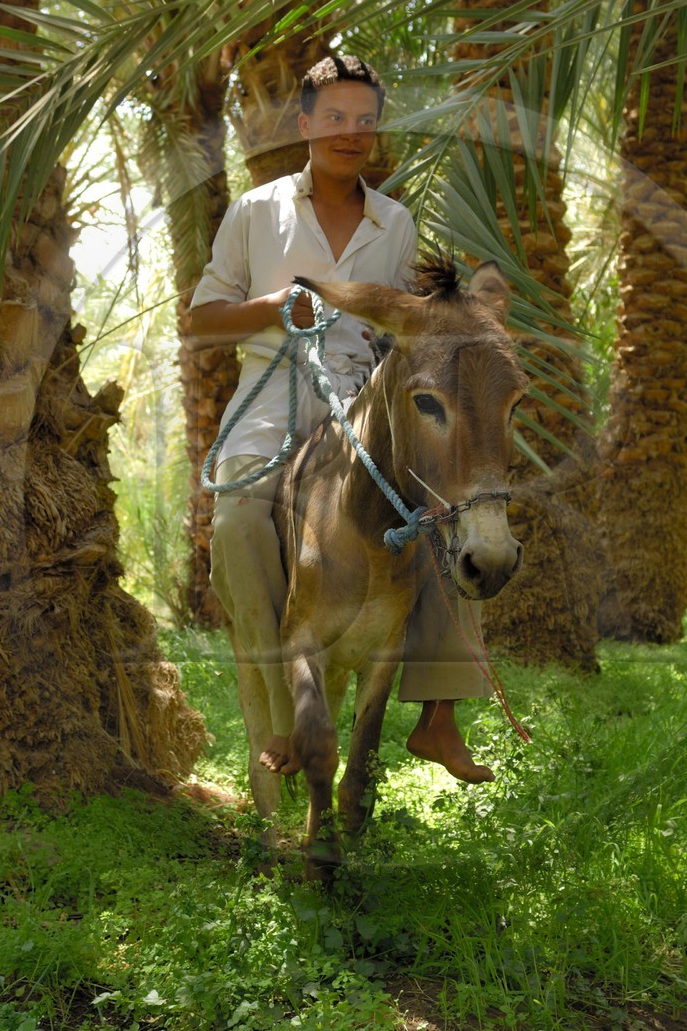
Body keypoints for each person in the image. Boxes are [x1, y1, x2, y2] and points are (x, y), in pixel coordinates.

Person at [188, 55, 495, 786]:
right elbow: (201, 318)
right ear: (305, 126)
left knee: (448, 509)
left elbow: (407, 326)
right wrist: (273, 309)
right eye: (335, 118)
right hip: (270, 394)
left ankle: (440, 714)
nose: (350, 133)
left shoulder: (395, 222)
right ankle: (277, 725)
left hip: (368, 398)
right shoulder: (256, 211)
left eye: (364, 120)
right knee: (235, 525)